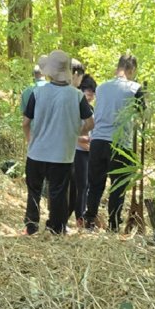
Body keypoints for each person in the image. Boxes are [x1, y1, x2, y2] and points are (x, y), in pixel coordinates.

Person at [22, 51, 94, 235]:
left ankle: (31, 226)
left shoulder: (38, 92)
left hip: (36, 152)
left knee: (34, 191)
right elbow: (90, 123)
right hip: (61, 154)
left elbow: (26, 122)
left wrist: (30, 138)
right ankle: (56, 227)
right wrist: (74, 132)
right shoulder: (76, 96)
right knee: (58, 193)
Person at [84, 54, 143, 232]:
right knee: (117, 186)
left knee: (95, 184)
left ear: (117, 68)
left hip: (98, 141)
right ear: (132, 70)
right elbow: (143, 115)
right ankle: (113, 225)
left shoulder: (101, 88)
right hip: (120, 144)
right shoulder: (135, 88)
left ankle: (89, 221)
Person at [69, 61, 97, 227]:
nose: (90, 95)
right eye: (87, 91)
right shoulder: (75, 105)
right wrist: (83, 139)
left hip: (88, 152)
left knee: (85, 185)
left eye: (92, 92)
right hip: (77, 151)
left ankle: (82, 215)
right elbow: (69, 131)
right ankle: (79, 216)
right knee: (78, 186)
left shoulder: (91, 109)